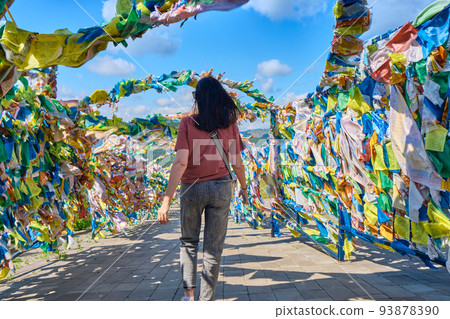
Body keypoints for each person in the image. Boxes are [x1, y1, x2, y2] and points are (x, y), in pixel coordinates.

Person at [157, 77, 249, 301]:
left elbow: (180, 162)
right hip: (221, 189)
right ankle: (206, 302)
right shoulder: (230, 124)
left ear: (197, 99)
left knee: (189, 242)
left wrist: (167, 198)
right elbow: (237, 162)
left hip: (192, 189)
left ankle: (189, 297)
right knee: (213, 248)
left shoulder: (187, 123)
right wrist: (244, 188)